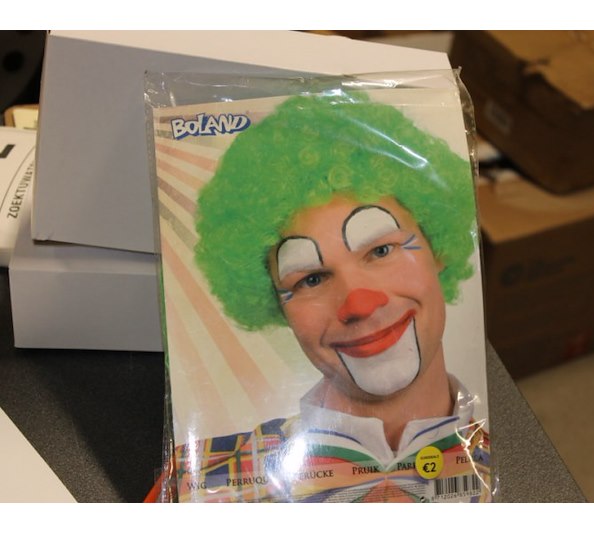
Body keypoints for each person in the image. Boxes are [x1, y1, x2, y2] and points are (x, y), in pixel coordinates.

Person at [175, 90, 490, 502]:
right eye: (311, 278)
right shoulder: (205, 483)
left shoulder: (510, 469)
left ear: (437, 248)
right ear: (276, 304)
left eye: (381, 250)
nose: (358, 303)